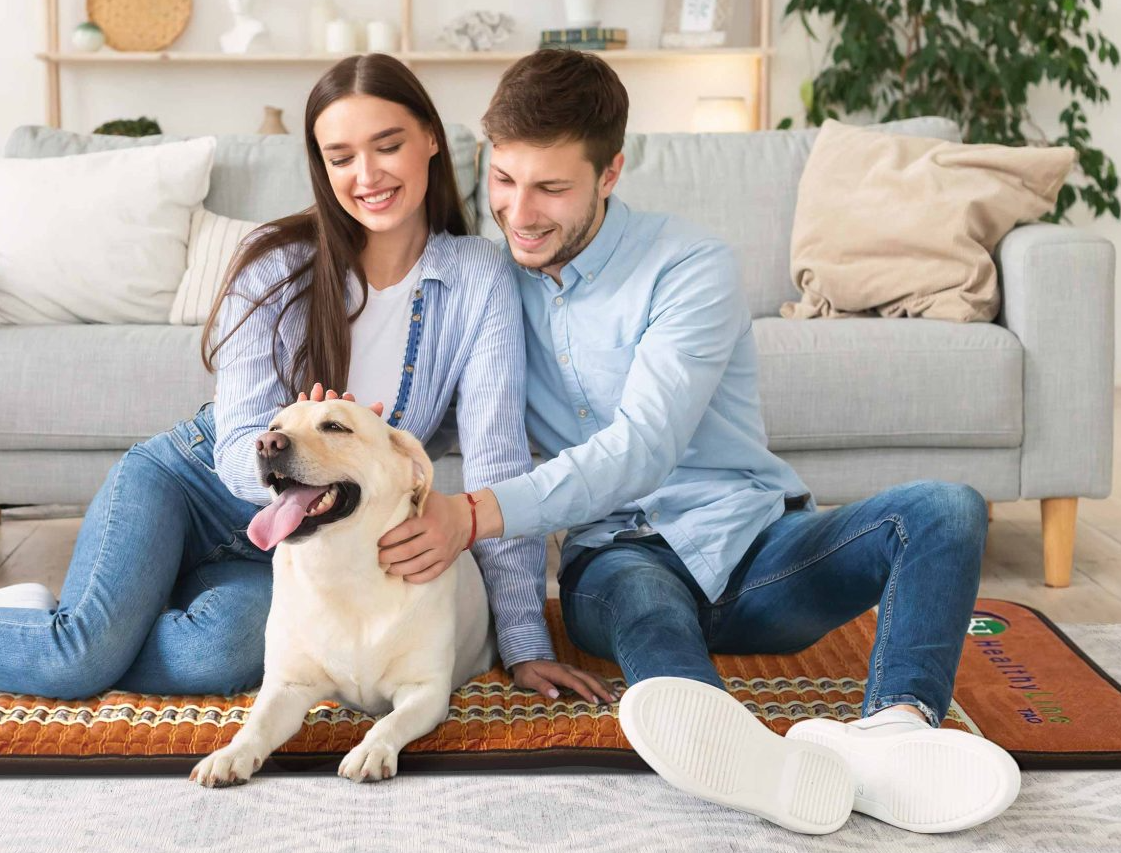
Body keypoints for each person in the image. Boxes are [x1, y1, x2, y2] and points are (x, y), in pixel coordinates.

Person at [377, 48, 1021, 835]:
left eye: (551, 187)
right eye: (503, 181)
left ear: (610, 173)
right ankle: (730, 743)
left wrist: (473, 513)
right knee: (647, 604)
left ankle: (894, 733)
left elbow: (645, 447)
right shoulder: (487, 280)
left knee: (947, 510)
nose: (519, 211)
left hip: (755, 551)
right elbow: (431, 397)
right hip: (614, 561)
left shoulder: (689, 266)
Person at [0, 53, 615, 706]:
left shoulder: (479, 277)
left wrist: (520, 640)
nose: (367, 174)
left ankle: (82, 618)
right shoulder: (276, 267)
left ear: (432, 146)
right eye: (340, 157)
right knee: (75, 660)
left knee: (225, 657)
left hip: (304, 540)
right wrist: (291, 446)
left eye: (388, 145)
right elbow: (240, 443)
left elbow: (496, 461)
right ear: (320, 166)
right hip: (194, 485)